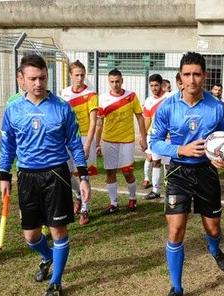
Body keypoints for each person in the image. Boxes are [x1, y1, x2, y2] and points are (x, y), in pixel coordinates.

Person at [0, 54, 91, 296]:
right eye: (33, 78)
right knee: (30, 237)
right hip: (27, 176)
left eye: (42, 77)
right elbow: (8, 144)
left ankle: (56, 282)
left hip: (56, 175)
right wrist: (4, 174)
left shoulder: (62, 107)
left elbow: (74, 142)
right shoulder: (13, 109)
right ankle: (48, 256)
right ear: (21, 80)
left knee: (58, 230)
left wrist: (83, 176)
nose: (38, 83)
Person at [150, 52, 224, 296]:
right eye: (187, 75)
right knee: (176, 230)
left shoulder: (217, 107)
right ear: (179, 79)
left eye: (197, 74)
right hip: (178, 172)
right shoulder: (167, 106)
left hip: (207, 173)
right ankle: (176, 288)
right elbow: (155, 142)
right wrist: (181, 150)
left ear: (205, 76)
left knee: (213, 229)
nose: (192, 79)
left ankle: (214, 249)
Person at [96, 68, 147, 213]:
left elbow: (140, 117)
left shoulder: (131, 96)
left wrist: (144, 139)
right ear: (108, 82)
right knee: (110, 173)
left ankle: (132, 198)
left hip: (127, 141)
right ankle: (114, 204)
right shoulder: (103, 98)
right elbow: (99, 122)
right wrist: (97, 143)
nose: (115, 84)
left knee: (127, 172)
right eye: (112, 82)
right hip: (109, 141)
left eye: (117, 81)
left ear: (122, 81)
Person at [60, 60, 98, 225]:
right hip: (67, 137)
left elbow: (93, 122)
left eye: (82, 74)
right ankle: (77, 195)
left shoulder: (91, 94)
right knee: (67, 173)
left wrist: (88, 144)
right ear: (70, 75)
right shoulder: (64, 93)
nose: (80, 78)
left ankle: (84, 209)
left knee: (83, 173)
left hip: (83, 136)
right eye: (77, 75)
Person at [142, 73, 170, 199]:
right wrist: (143, 137)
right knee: (156, 162)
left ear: (162, 85)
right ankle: (156, 190)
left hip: (169, 137)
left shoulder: (169, 97)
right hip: (154, 137)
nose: (154, 88)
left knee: (169, 164)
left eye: (156, 85)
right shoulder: (148, 101)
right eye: (152, 85)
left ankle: (171, 189)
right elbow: (146, 120)